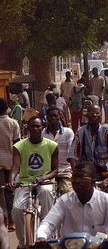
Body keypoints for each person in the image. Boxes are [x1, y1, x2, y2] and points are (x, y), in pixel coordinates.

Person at [34, 162, 108, 249]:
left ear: (93, 181)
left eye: (82, 177)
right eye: (74, 177)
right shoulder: (64, 201)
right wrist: (42, 236)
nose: (77, 181)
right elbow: (48, 223)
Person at [7, 116, 59, 249]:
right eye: (32, 126)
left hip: (45, 181)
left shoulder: (52, 145)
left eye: (38, 126)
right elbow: (15, 166)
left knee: (47, 194)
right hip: (24, 182)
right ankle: (23, 242)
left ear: (42, 127)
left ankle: (47, 234)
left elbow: (55, 171)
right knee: (17, 208)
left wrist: (43, 178)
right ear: (27, 128)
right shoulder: (19, 146)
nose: (35, 129)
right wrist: (11, 180)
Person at [68, 104, 108, 181]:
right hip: (86, 174)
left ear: (101, 115)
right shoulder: (81, 132)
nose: (95, 115)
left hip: (105, 174)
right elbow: (73, 156)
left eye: (97, 113)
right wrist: (76, 174)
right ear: (87, 115)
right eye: (91, 113)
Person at [42, 106, 75, 195]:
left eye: (55, 116)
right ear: (46, 117)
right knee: (45, 192)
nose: (53, 118)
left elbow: (71, 154)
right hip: (48, 171)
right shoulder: (42, 134)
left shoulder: (68, 132)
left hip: (65, 169)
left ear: (59, 116)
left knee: (68, 192)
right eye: (50, 116)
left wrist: (74, 172)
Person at [0, 98, 21, 232]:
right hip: (11, 163)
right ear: (7, 107)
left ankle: (3, 220)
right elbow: (17, 144)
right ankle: (12, 221)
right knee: (10, 192)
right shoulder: (13, 123)